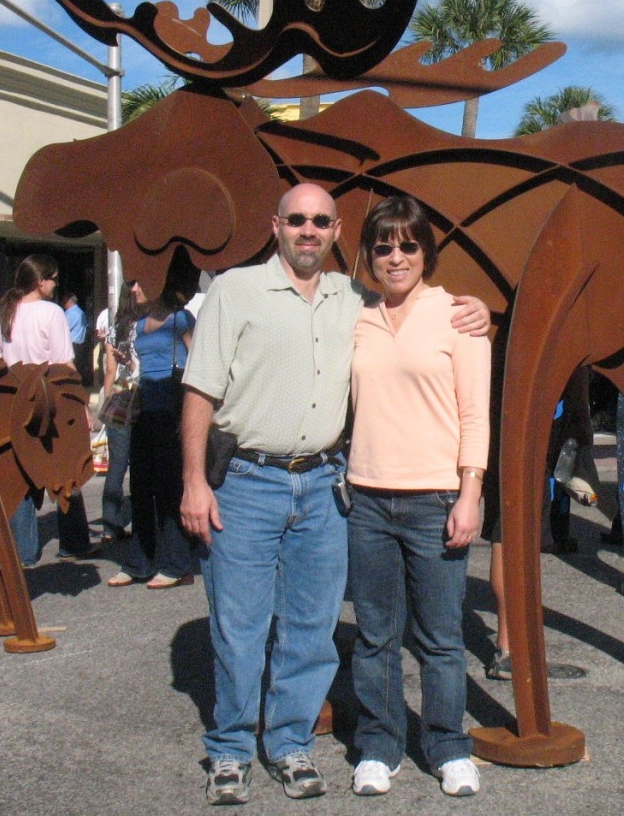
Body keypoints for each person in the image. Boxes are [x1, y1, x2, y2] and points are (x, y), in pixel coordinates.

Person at [180, 183, 489, 806]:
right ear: (277, 225)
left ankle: (305, 744)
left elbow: (471, 403)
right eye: (296, 219)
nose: (308, 230)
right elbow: (200, 392)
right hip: (270, 484)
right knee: (249, 627)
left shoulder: (389, 306)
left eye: (320, 220)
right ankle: (236, 750)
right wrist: (192, 480)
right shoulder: (250, 293)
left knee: (319, 628)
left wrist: (480, 309)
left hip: (337, 487)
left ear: (335, 229)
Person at [346, 196, 490, 798]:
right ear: (370, 256)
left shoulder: (457, 315)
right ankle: (380, 745)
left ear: (426, 251)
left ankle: (448, 745)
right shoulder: (355, 317)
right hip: (367, 499)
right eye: (383, 246)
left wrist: (470, 491)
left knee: (440, 636)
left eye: (408, 244)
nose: (396, 256)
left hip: (436, 497)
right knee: (376, 634)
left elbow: (474, 413)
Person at [0, 255, 98, 567]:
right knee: (65, 467)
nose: (55, 284)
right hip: (50, 398)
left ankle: (23, 551)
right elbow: (64, 364)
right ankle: (73, 541)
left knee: (19, 471)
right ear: (40, 281)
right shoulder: (52, 313)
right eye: (53, 278)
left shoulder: (2, 311)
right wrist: (82, 406)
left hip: (12, 401)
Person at [108, 269, 197, 589]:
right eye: (131, 283)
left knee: (170, 488)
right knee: (141, 487)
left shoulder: (180, 318)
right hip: (143, 409)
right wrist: (127, 363)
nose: (132, 288)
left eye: (138, 281)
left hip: (173, 411)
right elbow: (142, 366)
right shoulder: (139, 324)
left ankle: (177, 564)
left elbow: (199, 361)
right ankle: (138, 562)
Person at [97, 281, 141, 544]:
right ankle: (139, 517)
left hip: (119, 396)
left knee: (117, 465)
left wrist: (107, 399)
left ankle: (109, 525)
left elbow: (110, 373)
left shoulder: (117, 327)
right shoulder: (145, 325)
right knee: (139, 465)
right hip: (140, 396)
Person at [61, 290, 92, 386]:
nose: (63, 303)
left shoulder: (71, 313)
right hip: (80, 345)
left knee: (71, 369)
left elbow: (62, 328)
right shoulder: (80, 312)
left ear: (69, 301)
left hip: (73, 345)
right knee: (78, 367)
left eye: (64, 301)